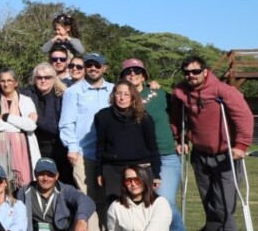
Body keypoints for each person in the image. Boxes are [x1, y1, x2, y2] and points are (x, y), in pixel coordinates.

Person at [171, 55, 255, 231]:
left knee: (224, 206)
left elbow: (244, 116)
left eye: (195, 71)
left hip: (226, 156)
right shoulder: (181, 92)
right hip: (200, 156)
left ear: (205, 71)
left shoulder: (223, 91)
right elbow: (175, 116)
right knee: (210, 204)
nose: (191, 75)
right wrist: (178, 138)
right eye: (187, 72)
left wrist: (241, 145)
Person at [120, 58, 187, 231]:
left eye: (137, 71)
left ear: (144, 75)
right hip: (138, 157)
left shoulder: (159, 94)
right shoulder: (122, 97)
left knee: (165, 201)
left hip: (165, 154)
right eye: (128, 71)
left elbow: (182, 106)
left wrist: (183, 138)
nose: (133, 74)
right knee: (141, 202)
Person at [15, 157, 104, 231]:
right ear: (35, 174)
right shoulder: (24, 192)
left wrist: (81, 219)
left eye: (50, 174)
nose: (45, 178)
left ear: (57, 176)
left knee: (89, 213)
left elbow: (86, 200)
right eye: (41, 174)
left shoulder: (65, 189)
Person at [93, 80, 161, 216]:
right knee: (115, 208)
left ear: (133, 97)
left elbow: (153, 146)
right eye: (118, 93)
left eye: (126, 94)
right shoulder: (103, 116)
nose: (122, 97)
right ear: (113, 96)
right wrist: (99, 171)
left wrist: (156, 173)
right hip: (112, 169)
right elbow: (100, 146)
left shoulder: (144, 117)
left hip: (140, 167)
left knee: (142, 209)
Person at [58, 52, 115, 195]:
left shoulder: (113, 90)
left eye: (97, 65)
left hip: (109, 154)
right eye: (89, 65)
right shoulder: (72, 92)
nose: (93, 68)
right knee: (88, 198)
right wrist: (72, 148)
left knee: (109, 197)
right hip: (83, 154)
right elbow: (66, 123)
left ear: (104, 68)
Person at [0, 68, 40, 189]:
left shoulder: (26, 101)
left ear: (16, 83)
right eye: (3, 81)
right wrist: (21, 127)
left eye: (10, 80)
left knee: (24, 186)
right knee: (0, 182)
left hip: (24, 151)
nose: (6, 83)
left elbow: (31, 126)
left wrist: (6, 116)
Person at [25, 62, 70, 184]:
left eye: (47, 77)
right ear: (34, 79)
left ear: (53, 79)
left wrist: (38, 120)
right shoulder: (27, 94)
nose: (43, 80)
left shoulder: (62, 96)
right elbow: (5, 87)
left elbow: (60, 127)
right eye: (39, 77)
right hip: (33, 146)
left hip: (57, 148)